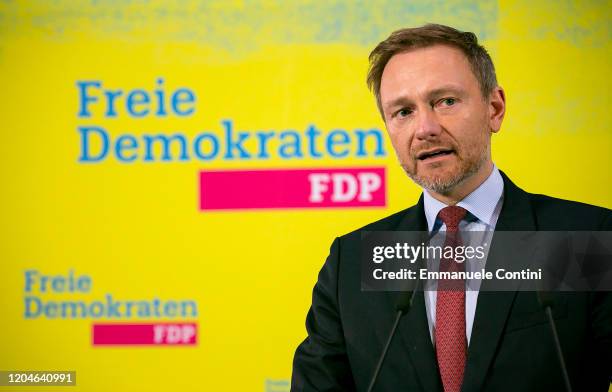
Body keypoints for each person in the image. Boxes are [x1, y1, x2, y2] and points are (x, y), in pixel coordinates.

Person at [291, 24, 611, 392]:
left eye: (446, 101)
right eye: (403, 111)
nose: (425, 128)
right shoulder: (355, 259)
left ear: (495, 108)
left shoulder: (585, 239)